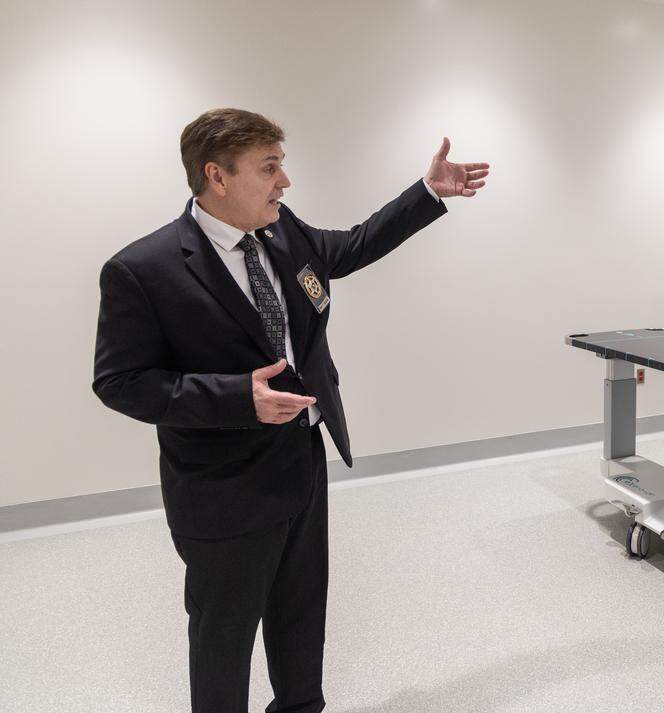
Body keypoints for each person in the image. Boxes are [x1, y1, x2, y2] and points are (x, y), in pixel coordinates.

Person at [92, 108, 489, 712]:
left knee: (302, 614)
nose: (285, 181)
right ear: (216, 177)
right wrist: (235, 398)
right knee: (224, 636)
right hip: (222, 486)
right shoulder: (143, 270)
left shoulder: (282, 231)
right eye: (270, 167)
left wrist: (427, 194)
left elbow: (349, 246)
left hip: (302, 461)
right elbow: (120, 381)